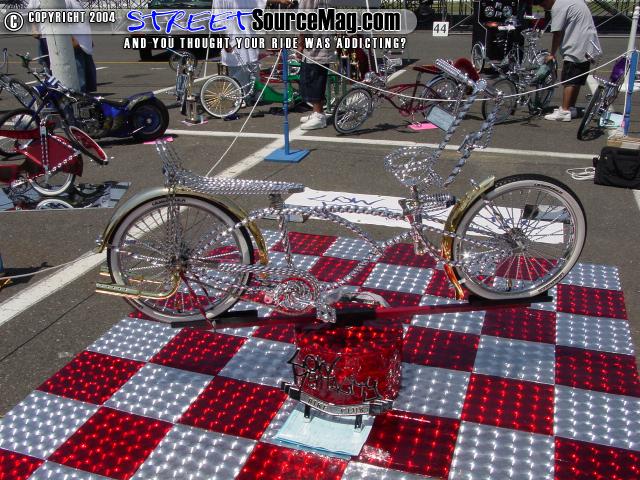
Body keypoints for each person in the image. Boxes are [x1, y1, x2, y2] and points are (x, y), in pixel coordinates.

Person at [536, 0, 601, 122]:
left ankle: (564, 111)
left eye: (542, 3)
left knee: (569, 79)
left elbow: (557, 33)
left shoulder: (558, 6)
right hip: (588, 43)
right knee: (577, 78)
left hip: (576, 45)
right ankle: (571, 108)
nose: (542, 6)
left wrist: (552, 54)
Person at [27, 0, 97, 93]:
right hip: (50, 37)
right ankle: (57, 93)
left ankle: (79, 92)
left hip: (74, 37)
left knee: (81, 67)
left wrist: (86, 38)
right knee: (52, 67)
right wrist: (34, 28)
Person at [297, 0, 336, 130]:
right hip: (323, 40)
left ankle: (319, 115)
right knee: (317, 77)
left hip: (315, 44)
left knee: (314, 79)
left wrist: (300, 44)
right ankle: (317, 112)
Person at [219, 0, 265, 107]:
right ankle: (240, 96)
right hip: (233, 38)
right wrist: (225, 41)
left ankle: (254, 93)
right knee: (237, 69)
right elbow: (218, 20)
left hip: (250, 36)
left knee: (253, 66)